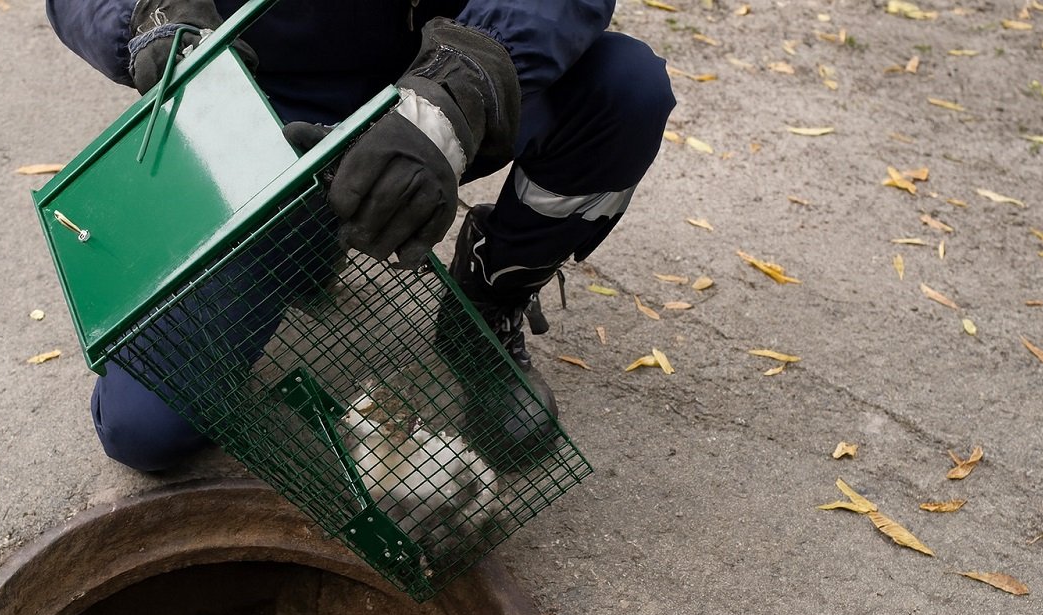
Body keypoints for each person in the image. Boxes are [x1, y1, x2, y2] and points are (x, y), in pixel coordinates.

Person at [46, 0, 676, 472]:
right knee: (143, 431)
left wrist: (452, 96)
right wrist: (147, 19)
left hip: (435, 93)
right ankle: (299, 240)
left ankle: (488, 304)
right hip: (265, 123)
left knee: (625, 90)